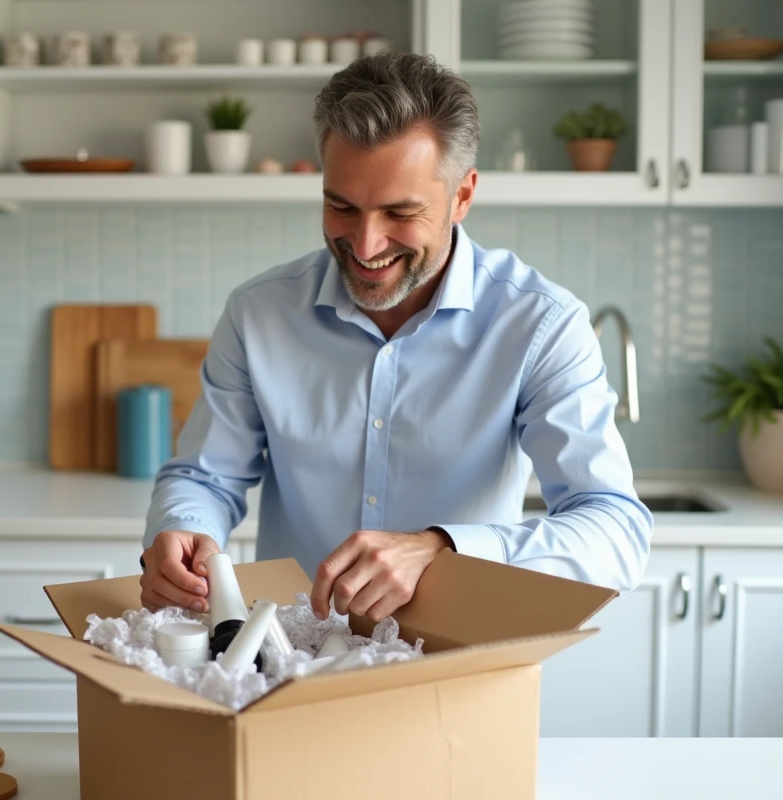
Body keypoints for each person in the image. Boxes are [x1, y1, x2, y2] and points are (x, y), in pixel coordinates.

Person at [138, 51, 652, 624]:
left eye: (400, 212)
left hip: (460, 664)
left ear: (462, 196)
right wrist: (183, 527)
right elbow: (204, 475)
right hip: (292, 664)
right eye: (342, 207)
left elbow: (615, 531)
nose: (365, 243)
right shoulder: (257, 313)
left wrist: (442, 548)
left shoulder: (541, 325)